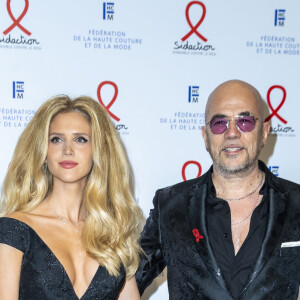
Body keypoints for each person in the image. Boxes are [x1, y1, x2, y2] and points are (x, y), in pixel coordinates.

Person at [136, 80, 300, 299]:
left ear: (264, 132)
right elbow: (123, 282)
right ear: (206, 136)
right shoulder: (170, 205)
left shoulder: (297, 203)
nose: (232, 133)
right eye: (219, 123)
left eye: (245, 121)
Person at [0, 95, 142, 299]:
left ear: (98, 150)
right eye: (56, 139)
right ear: (43, 150)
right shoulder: (14, 229)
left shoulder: (113, 233)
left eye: (80, 139)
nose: (67, 150)